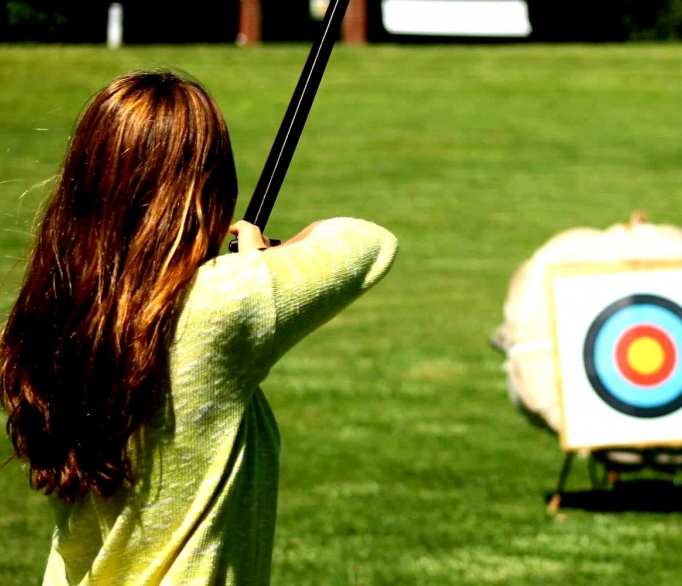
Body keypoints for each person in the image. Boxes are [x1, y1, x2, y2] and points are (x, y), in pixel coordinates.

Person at [0, 71, 397, 585]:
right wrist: (260, 262)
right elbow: (366, 242)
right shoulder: (224, 299)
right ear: (207, 188)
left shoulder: (53, 313)